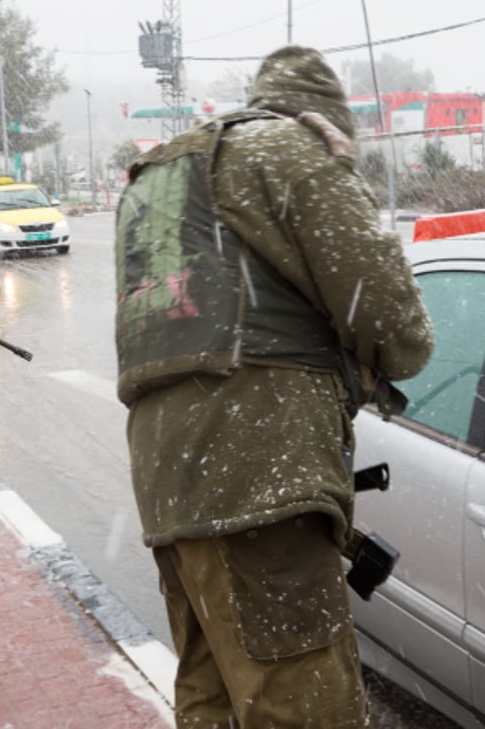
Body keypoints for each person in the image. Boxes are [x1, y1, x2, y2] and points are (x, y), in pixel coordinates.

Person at [114, 45, 434, 727]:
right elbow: (398, 331)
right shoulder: (291, 151)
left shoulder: (166, 172)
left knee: (214, 698)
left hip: (170, 482)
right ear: (325, 117)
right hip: (260, 474)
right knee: (307, 705)